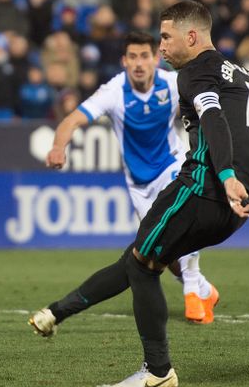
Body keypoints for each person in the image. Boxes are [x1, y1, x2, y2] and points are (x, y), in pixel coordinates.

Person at [29, 0, 249, 387]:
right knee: (140, 257)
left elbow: (215, 121)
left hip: (203, 188)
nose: (162, 46)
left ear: (191, 36)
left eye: (166, 37)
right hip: (235, 206)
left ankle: (157, 370)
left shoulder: (192, 75)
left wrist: (224, 174)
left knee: (141, 266)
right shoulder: (240, 75)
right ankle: (56, 312)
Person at [46, 31, 220, 324]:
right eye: (133, 57)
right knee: (165, 255)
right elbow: (72, 119)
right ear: (124, 61)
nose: (139, 63)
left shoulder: (172, 83)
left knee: (184, 220)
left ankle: (193, 291)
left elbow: (211, 97)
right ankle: (204, 288)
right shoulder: (114, 92)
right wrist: (57, 146)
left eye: (144, 56)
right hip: (139, 185)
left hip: (173, 165)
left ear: (155, 58)